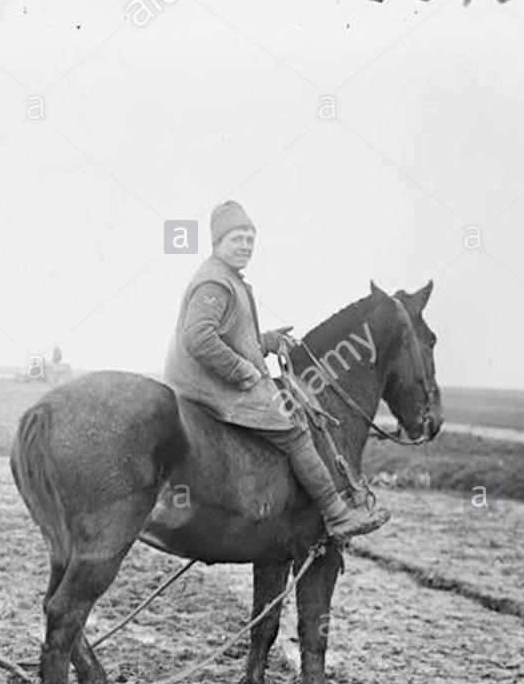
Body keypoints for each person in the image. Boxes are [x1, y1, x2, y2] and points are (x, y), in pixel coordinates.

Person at [163, 199, 389, 541]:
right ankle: (335, 512)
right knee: (295, 429)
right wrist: (244, 372)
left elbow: (229, 334)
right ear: (217, 243)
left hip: (212, 379)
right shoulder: (215, 283)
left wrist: (266, 342)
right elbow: (198, 337)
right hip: (209, 385)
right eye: (236, 238)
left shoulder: (226, 278)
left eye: (249, 239)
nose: (245, 246)